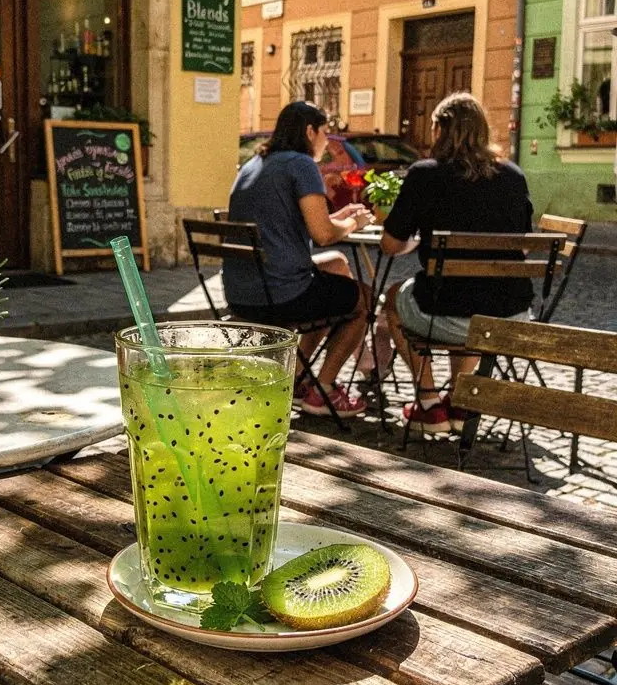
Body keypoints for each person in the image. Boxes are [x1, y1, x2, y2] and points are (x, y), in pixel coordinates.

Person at [380, 91, 534, 437]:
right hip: (508, 317)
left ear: (439, 130)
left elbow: (390, 244)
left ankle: (430, 404)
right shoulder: (513, 176)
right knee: (469, 298)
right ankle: (461, 403)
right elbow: (523, 249)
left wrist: (418, 240)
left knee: (393, 299)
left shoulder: (425, 174)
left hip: (446, 313)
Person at [223, 100, 372, 419]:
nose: (327, 141)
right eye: (325, 133)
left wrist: (339, 216)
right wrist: (353, 223)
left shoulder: (254, 164)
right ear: (309, 131)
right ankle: (324, 390)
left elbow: (297, 221)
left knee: (333, 267)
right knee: (362, 299)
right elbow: (324, 235)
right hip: (279, 295)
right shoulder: (301, 164)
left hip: (240, 293)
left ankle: (296, 378)